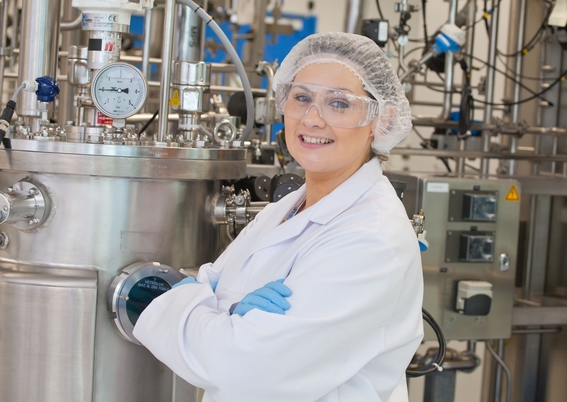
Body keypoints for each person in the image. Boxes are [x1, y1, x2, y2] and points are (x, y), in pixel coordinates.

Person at [134, 32, 424, 402]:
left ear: (379, 121)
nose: (312, 119)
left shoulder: (372, 239)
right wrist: (232, 313)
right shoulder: (280, 211)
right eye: (302, 98)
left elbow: (243, 367)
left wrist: (207, 311)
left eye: (339, 103)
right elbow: (204, 285)